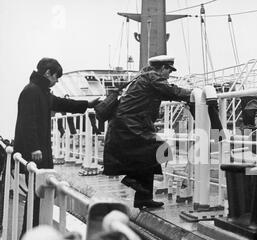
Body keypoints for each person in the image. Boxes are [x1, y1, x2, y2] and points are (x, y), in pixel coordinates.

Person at [14, 58, 99, 230]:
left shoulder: (40, 91)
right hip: (36, 154)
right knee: (36, 198)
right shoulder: (31, 91)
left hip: (40, 153)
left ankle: (33, 235)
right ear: (47, 73)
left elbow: (62, 103)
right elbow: (27, 122)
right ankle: (30, 237)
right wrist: (34, 148)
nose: (57, 80)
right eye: (56, 76)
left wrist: (87, 104)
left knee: (38, 198)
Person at [103, 55, 192, 209]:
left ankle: (143, 198)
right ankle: (131, 178)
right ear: (163, 68)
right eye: (169, 71)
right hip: (130, 124)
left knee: (145, 157)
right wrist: (194, 93)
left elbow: (166, 92)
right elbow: (171, 90)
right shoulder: (152, 77)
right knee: (159, 149)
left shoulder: (143, 77)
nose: (168, 75)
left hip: (130, 123)